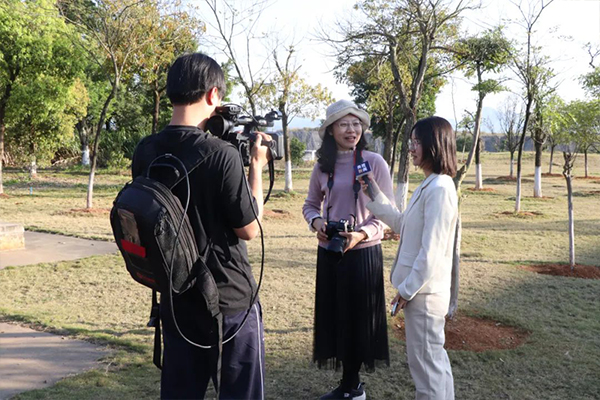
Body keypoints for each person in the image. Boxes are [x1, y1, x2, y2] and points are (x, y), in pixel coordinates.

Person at [131, 53, 271, 400]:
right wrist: (256, 166)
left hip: (177, 295)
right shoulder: (221, 154)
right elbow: (250, 228)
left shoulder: (145, 150)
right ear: (212, 95)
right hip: (229, 299)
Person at [361, 116, 458, 400]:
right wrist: (374, 192)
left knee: (427, 369)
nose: (412, 149)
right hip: (422, 292)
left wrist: (405, 290)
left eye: (416, 142)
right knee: (433, 364)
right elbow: (405, 225)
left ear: (433, 145)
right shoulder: (431, 184)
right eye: (411, 142)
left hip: (425, 295)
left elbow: (432, 251)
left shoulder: (440, 189)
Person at [302, 99, 394, 400]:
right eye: (344, 124)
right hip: (331, 250)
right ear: (330, 131)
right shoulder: (322, 167)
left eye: (356, 124)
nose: (351, 129)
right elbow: (310, 205)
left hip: (363, 253)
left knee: (358, 319)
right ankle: (348, 385)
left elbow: (387, 213)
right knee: (336, 317)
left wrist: (361, 234)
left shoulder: (374, 162)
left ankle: (353, 387)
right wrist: (317, 224)